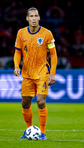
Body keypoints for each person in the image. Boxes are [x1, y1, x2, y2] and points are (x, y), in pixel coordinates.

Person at [13, 7, 57, 140]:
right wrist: (16, 66)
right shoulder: (21, 33)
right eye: (31, 16)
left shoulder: (47, 34)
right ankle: (29, 130)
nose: (33, 18)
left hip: (42, 72)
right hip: (27, 73)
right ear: (27, 18)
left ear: (39, 18)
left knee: (40, 101)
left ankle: (42, 133)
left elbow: (53, 54)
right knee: (25, 103)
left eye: (36, 16)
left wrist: (52, 73)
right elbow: (17, 51)